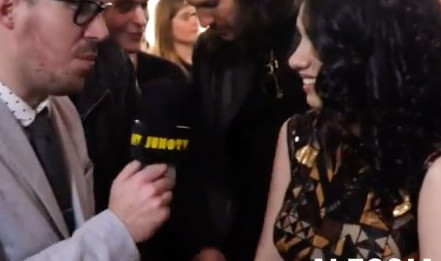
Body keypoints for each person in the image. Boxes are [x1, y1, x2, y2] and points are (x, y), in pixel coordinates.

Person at [255, 0, 441, 259]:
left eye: (318, 43)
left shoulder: (431, 168)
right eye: (300, 38)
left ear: (368, 50)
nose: (294, 60)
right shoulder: (300, 135)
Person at [0, 0, 174, 259]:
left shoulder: (64, 111)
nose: (100, 32)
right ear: (9, 11)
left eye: (99, 10)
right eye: (80, 8)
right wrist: (117, 230)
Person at [183, 0, 308, 259]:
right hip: (236, 230)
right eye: (195, 8)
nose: (204, 21)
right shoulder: (211, 52)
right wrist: (205, 239)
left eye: (212, 4)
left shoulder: (306, 36)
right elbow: (202, 151)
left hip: (307, 225)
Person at [150, 0, 200, 75]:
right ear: (167, 25)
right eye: (185, 17)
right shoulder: (160, 69)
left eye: (194, 15)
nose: (194, 21)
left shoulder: (206, 61)